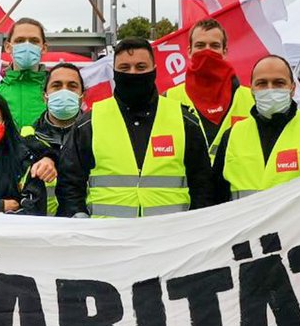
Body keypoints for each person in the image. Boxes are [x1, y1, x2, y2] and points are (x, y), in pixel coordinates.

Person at [57, 38, 217, 217]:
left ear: (154, 71)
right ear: (115, 73)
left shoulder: (184, 121)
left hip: (170, 239)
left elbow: (203, 185)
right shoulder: (89, 123)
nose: (132, 73)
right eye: (125, 68)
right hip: (108, 238)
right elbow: (69, 184)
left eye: (141, 67)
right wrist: (80, 220)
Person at [212, 55, 300, 200]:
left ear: (292, 88)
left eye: (279, 83)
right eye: (262, 83)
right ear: (252, 88)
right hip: (245, 222)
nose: (270, 89)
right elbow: (216, 194)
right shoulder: (232, 135)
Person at [166, 18, 255, 157]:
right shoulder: (168, 99)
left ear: (224, 51)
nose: (207, 51)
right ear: (189, 52)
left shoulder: (252, 99)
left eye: (214, 46)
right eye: (200, 46)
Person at [21, 62, 85, 215]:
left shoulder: (95, 135)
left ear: (82, 96)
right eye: (57, 85)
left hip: (86, 227)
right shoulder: (27, 136)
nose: (64, 91)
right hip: (42, 229)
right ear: (45, 96)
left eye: (72, 86)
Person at [0, 18, 48, 129]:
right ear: (8, 47)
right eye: (20, 40)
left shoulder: (57, 91)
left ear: (43, 48)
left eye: (34, 41)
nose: (27, 45)